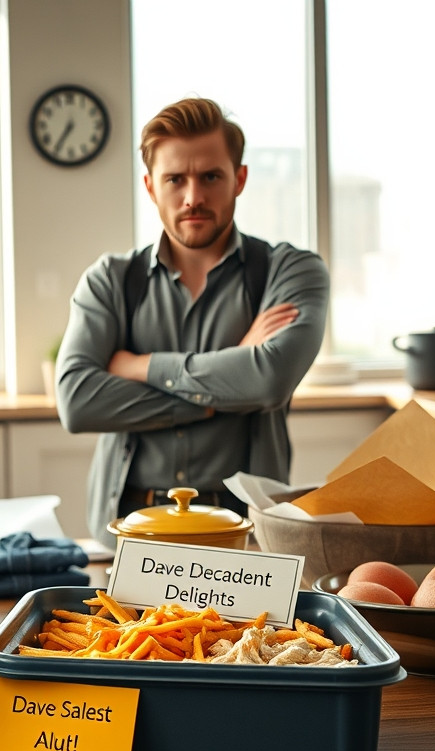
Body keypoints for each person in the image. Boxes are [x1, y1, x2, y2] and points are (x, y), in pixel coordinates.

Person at [55, 97, 330, 548]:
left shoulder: (290, 271)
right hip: (129, 531)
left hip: (246, 533)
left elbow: (268, 382)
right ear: (149, 186)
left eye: (210, 177)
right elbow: (78, 401)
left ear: (239, 179)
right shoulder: (110, 279)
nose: (193, 197)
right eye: (174, 179)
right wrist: (225, 384)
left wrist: (139, 366)